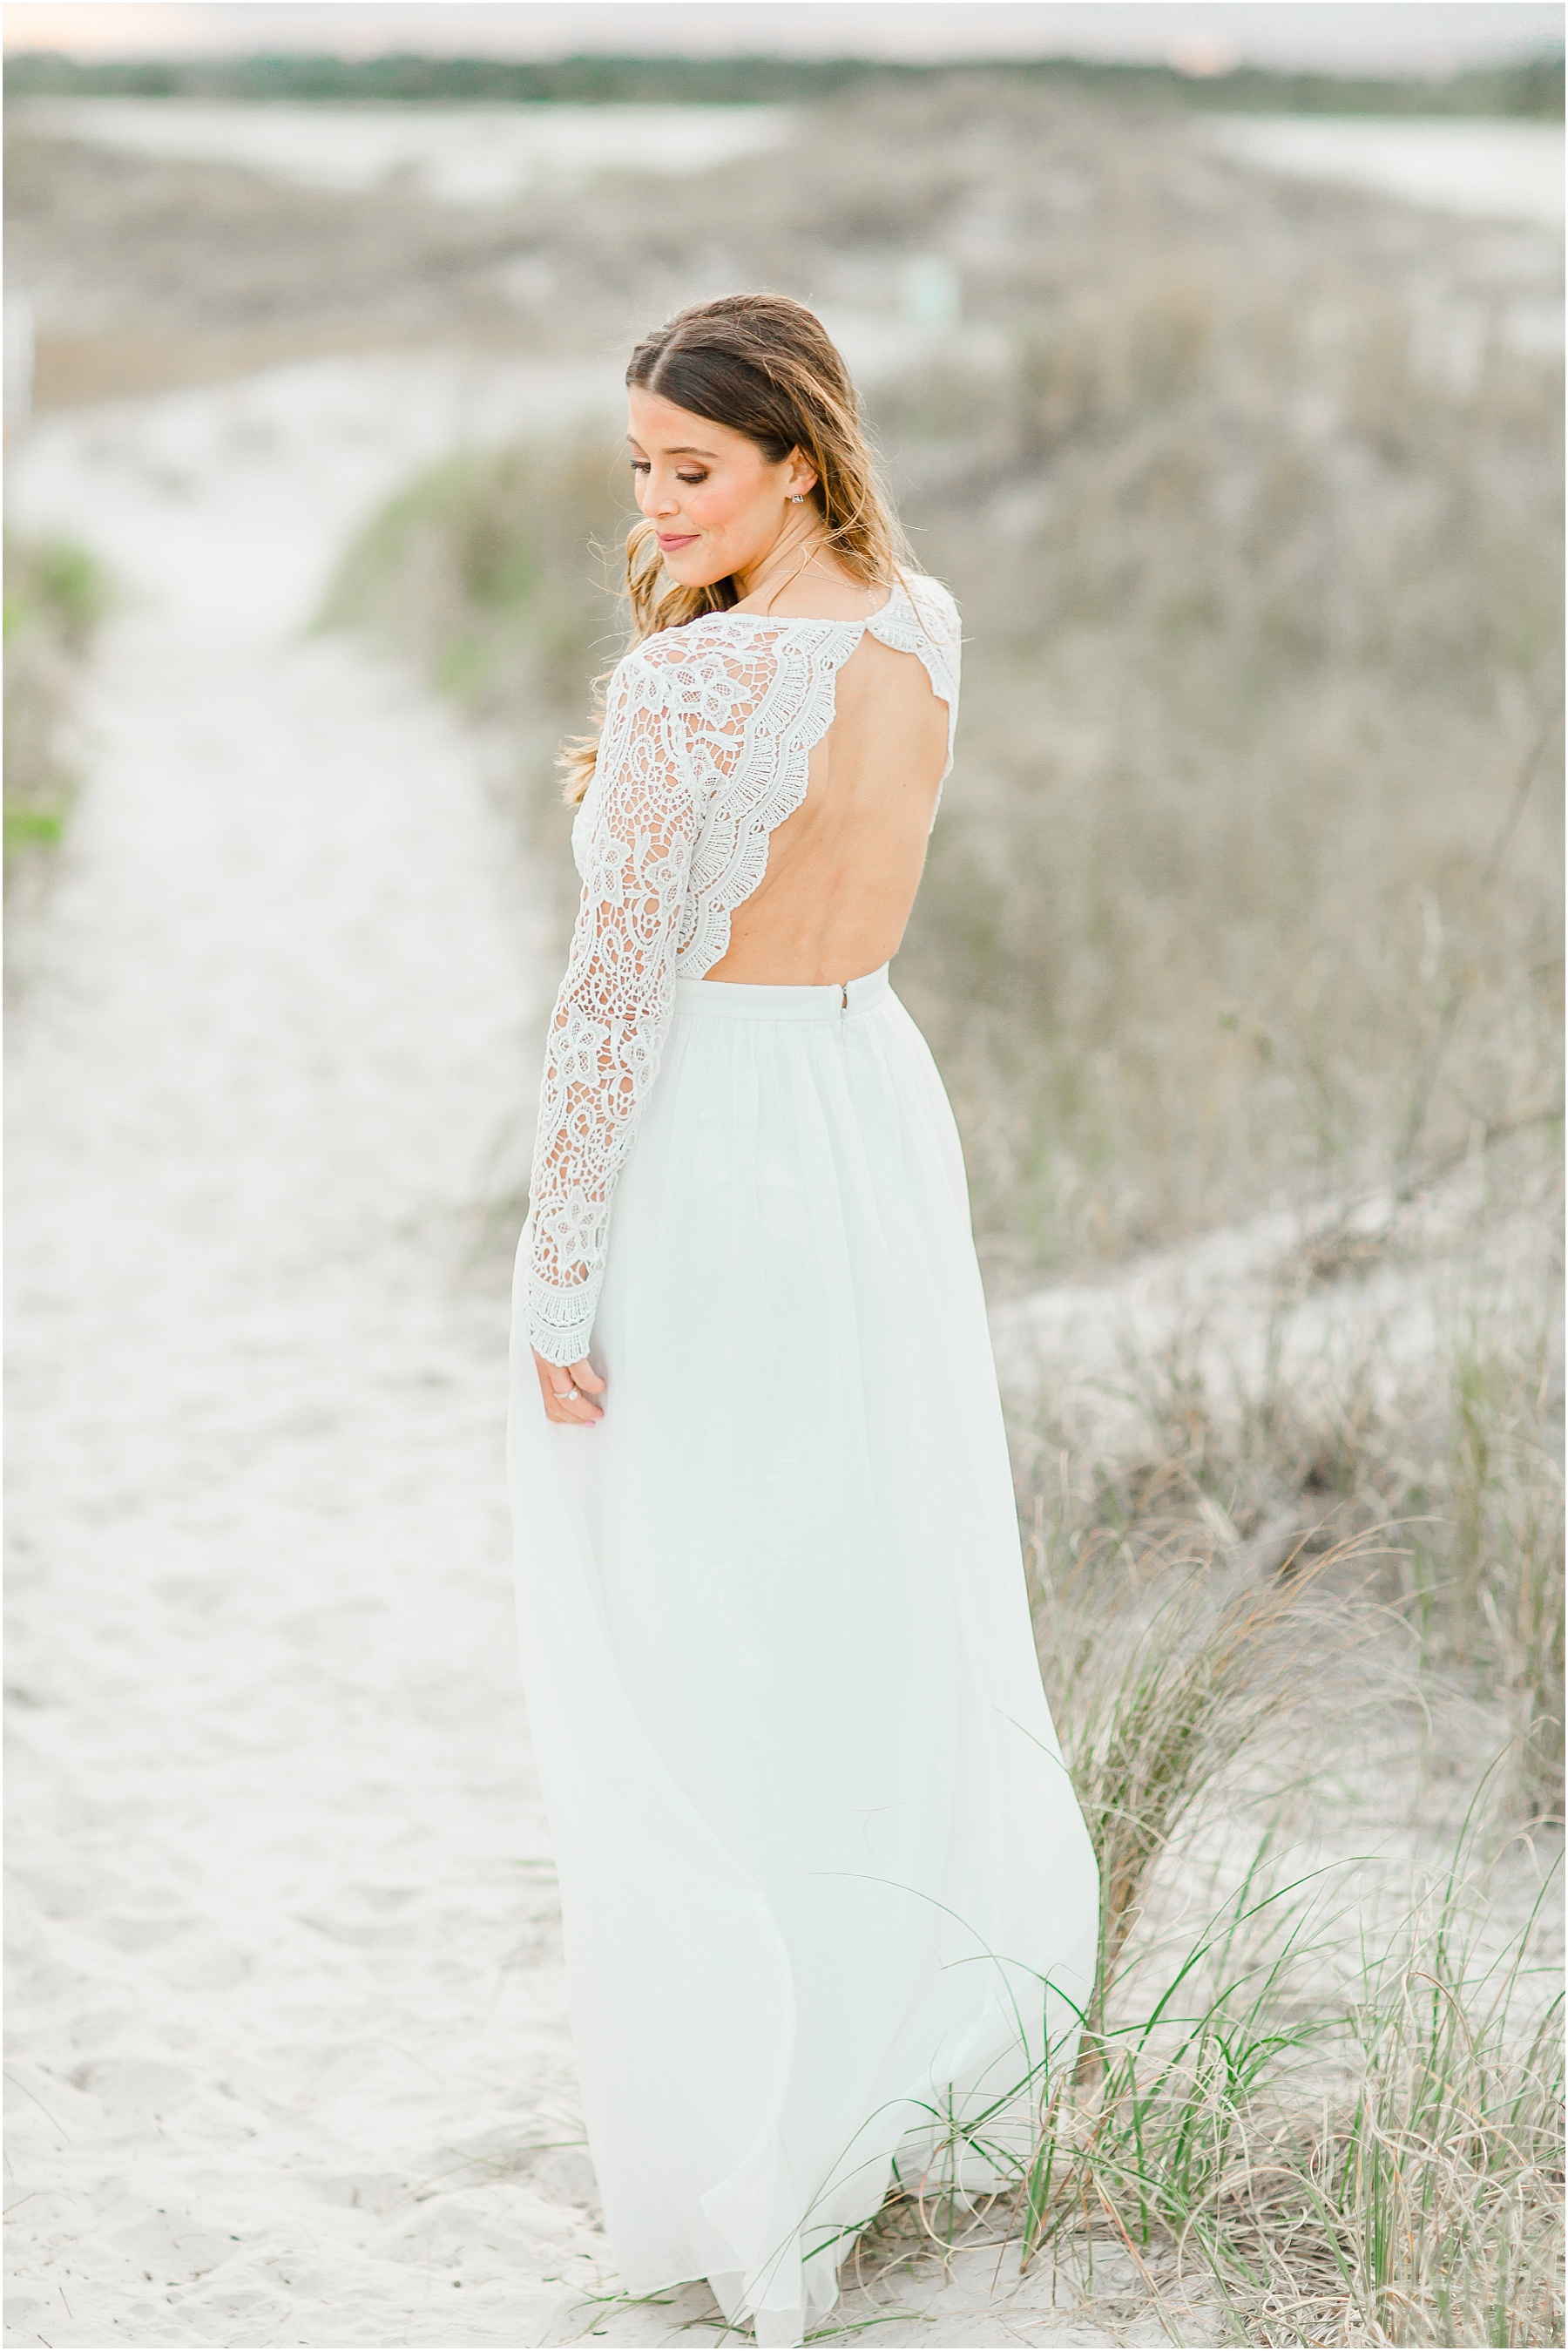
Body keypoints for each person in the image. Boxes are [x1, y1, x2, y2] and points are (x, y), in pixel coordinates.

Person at [507, 293, 1098, 2348]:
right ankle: (879, 2048)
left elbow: (609, 1010)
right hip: (868, 1111)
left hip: (724, 1141)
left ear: (796, 456)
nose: (658, 507)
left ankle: (760, 2117)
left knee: (691, 1614)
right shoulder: (919, 627)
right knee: (859, 1579)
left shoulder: (697, 694)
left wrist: (559, 1264)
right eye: (643, 470)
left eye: (693, 468)